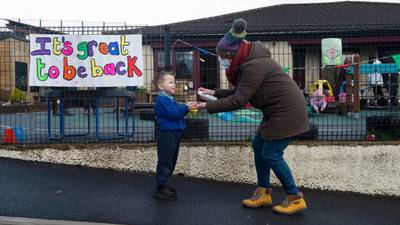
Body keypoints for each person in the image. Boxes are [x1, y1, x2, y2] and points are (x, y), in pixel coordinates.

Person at [196, 18, 309, 215]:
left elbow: (239, 100)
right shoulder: (249, 61)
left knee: (271, 154)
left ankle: (295, 197)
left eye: (223, 58)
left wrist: (207, 105)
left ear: (233, 54)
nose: (222, 61)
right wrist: (213, 92)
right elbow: (241, 91)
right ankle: (263, 192)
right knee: (258, 146)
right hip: (275, 111)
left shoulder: (254, 65)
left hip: (287, 112)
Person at [152, 71, 197, 201]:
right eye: (170, 82)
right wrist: (185, 107)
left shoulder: (170, 99)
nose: (174, 84)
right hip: (167, 134)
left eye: (174, 82)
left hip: (174, 133)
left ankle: (164, 184)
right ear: (161, 86)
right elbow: (173, 114)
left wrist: (187, 108)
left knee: (171, 160)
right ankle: (160, 188)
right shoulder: (161, 100)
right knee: (165, 160)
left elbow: (177, 113)